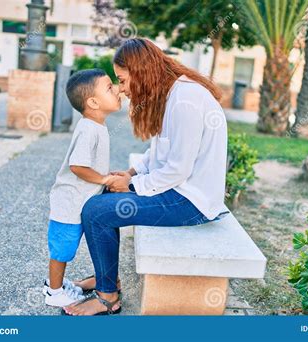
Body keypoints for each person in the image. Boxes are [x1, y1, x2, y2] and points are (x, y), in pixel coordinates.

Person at [63, 38, 229, 316]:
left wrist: (130, 184)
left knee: (96, 211)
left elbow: (177, 169)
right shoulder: (174, 92)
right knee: (102, 196)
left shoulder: (185, 99)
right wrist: (130, 173)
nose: (123, 89)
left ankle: (108, 297)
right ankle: (108, 278)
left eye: (124, 80)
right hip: (180, 190)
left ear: (141, 72)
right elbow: (161, 148)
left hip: (191, 202)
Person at [44, 69, 122, 307]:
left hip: (81, 200)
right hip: (69, 203)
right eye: (110, 87)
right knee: (62, 250)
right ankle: (54, 292)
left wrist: (105, 177)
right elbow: (78, 166)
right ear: (93, 102)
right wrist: (105, 180)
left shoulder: (97, 125)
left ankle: (58, 284)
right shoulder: (89, 128)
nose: (118, 89)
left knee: (68, 248)